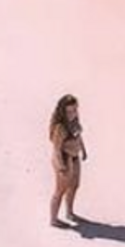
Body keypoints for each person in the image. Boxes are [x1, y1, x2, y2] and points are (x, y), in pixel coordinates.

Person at [49, 94, 88, 228]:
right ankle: (53, 220)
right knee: (60, 190)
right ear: (63, 111)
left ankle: (69, 213)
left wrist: (83, 149)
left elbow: (78, 136)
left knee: (74, 185)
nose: (72, 113)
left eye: (75, 110)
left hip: (74, 157)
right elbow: (57, 149)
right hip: (64, 159)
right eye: (69, 111)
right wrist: (61, 166)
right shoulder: (60, 127)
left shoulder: (75, 121)